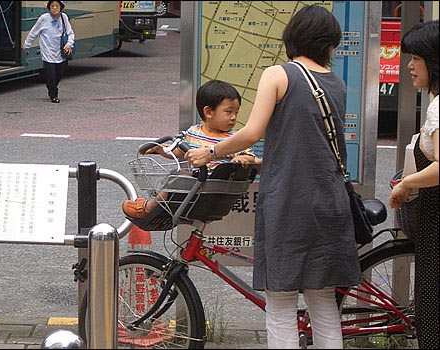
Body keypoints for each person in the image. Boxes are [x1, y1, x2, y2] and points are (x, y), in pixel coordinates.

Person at [185, 5, 361, 348]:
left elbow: (252, 133)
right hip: (330, 200)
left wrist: (210, 152)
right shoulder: (335, 84)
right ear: (328, 43)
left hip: (290, 202)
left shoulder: (279, 75)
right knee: (323, 302)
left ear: (293, 36)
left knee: (280, 301)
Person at [123, 79, 256, 219]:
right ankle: (156, 206)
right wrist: (160, 149)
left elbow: (250, 156)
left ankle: (148, 207)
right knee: (179, 176)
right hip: (194, 185)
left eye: (236, 112)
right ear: (209, 112)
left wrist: (242, 158)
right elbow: (178, 151)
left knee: (178, 176)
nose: (233, 117)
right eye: (229, 112)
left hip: (214, 187)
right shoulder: (193, 132)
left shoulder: (233, 139)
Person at [388, 20, 439, 349]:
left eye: (415, 59)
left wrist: (406, 183)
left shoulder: (437, 108)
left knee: (433, 310)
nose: (409, 66)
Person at [23, 1, 74, 103]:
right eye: (52, 6)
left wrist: (69, 44)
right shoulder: (43, 18)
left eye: (57, 6)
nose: (54, 8)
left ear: (61, 7)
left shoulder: (64, 17)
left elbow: (70, 33)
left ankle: (51, 85)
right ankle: (53, 95)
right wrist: (26, 45)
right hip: (48, 51)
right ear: (49, 7)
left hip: (60, 51)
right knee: (51, 74)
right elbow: (33, 32)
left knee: (60, 72)